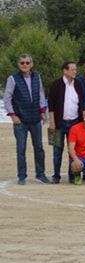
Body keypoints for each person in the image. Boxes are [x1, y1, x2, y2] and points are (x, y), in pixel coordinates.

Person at [4, 53, 49, 185]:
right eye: (22, 63)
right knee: (21, 149)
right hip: (20, 120)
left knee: (39, 148)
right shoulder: (12, 78)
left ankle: (40, 174)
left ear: (31, 64)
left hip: (35, 118)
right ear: (18, 65)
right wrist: (12, 115)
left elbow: (41, 94)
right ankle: (22, 176)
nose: (24, 65)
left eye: (27, 63)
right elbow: (7, 98)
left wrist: (42, 111)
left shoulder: (37, 77)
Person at [47, 61, 82, 183]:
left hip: (75, 123)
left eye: (75, 69)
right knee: (57, 150)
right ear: (65, 71)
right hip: (58, 123)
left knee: (73, 150)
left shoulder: (78, 84)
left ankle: (72, 175)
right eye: (72, 69)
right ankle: (56, 175)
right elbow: (50, 105)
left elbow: (81, 104)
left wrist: (81, 124)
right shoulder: (56, 84)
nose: (75, 72)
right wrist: (52, 122)